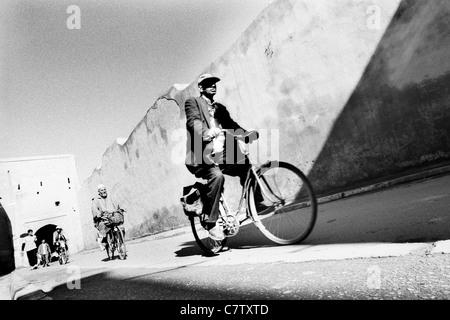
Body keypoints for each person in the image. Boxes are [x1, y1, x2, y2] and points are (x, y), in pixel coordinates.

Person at [184, 73, 259, 240]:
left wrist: (246, 134)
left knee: (246, 165)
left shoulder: (220, 109)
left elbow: (231, 125)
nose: (213, 85)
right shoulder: (193, 102)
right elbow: (193, 121)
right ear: (201, 88)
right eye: (208, 83)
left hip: (222, 155)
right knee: (217, 177)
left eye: (214, 83)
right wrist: (205, 133)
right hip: (202, 157)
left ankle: (254, 203)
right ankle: (211, 222)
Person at [91, 184, 124, 252]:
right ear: (99, 192)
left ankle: (120, 241)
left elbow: (117, 203)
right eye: (101, 190)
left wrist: (121, 208)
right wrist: (98, 214)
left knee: (121, 227)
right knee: (103, 229)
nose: (103, 191)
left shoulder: (110, 197)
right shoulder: (96, 200)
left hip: (112, 216)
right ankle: (106, 242)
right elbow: (94, 209)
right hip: (103, 218)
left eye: (104, 189)